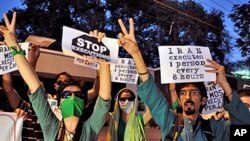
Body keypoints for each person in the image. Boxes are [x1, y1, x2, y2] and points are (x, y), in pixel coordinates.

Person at [116, 18, 249, 141]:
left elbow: (244, 128)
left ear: (203, 100)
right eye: (183, 93)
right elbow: (153, 96)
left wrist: (225, 85)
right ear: (179, 100)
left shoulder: (217, 128)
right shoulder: (169, 121)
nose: (188, 96)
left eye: (194, 92)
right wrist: (136, 54)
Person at [0, 12, 111, 141]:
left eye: (79, 95)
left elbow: (104, 98)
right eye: (66, 95)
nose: (73, 98)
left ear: (85, 103)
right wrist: (14, 45)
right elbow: (34, 85)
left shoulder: (90, 129)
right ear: (58, 104)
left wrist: (103, 57)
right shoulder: (51, 126)